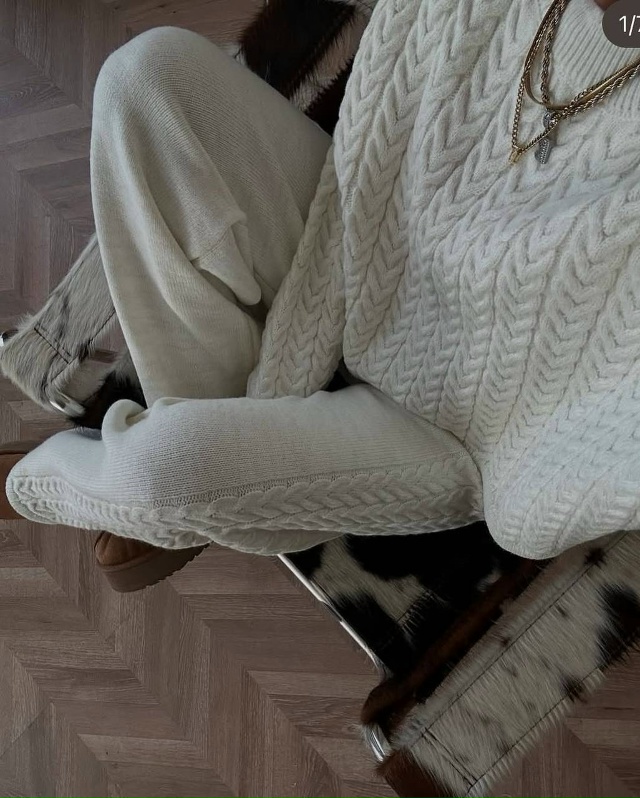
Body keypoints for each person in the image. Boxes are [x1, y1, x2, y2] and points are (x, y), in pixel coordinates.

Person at [1, 0, 638, 592]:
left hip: (462, 428)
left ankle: (70, 482)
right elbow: (385, 125)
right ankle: (197, 452)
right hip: (366, 234)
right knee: (145, 77)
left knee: (164, 471)